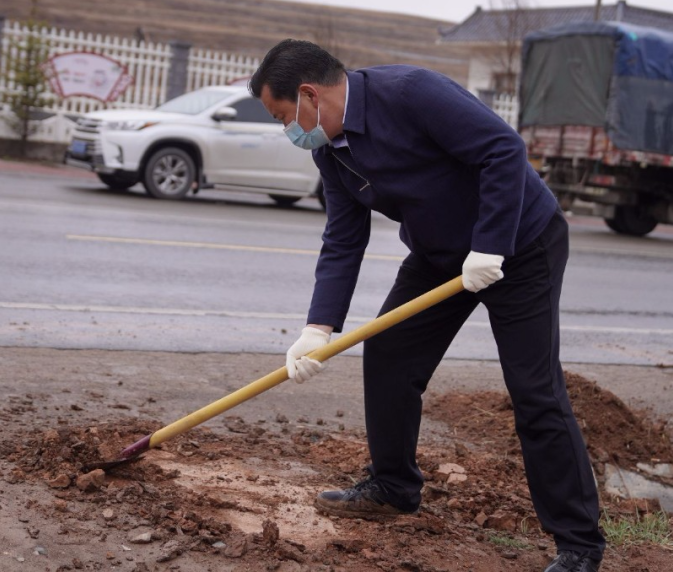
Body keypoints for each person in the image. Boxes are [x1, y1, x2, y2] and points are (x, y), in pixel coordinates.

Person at [249, 39, 605, 572]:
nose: (287, 131)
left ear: (308, 94)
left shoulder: (412, 93)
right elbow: (344, 239)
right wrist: (318, 328)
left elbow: (503, 150)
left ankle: (579, 543)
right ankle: (393, 487)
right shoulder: (331, 150)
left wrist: (491, 243)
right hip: (440, 256)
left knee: (534, 390)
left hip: (520, 244)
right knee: (389, 354)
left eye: (283, 117)